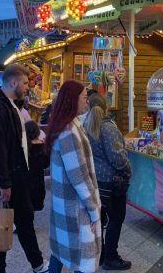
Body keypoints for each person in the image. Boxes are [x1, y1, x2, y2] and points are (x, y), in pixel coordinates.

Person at [0, 64, 49, 273]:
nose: (29, 87)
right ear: (14, 82)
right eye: (26, 83)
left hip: (16, 176)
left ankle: (37, 264)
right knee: (1, 225)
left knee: (25, 221)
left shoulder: (10, 104)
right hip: (6, 179)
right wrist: (4, 182)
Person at [45, 80, 101, 273]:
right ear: (73, 100)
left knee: (60, 250)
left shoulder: (67, 124)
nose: (87, 101)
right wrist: (93, 209)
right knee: (82, 257)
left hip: (65, 203)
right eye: (84, 97)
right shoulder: (69, 131)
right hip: (76, 207)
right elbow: (79, 176)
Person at [83, 93, 132, 270]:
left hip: (95, 180)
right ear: (106, 107)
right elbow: (118, 158)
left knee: (100, 220)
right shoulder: (108, 128)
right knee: (116, 219)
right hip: (112, 182)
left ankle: (101, 253)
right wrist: (128, 169)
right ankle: (111, 257)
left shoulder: (85, 125)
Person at [25, 120, 48, 211]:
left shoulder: (23, 147)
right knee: (35, 205)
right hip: (38, 181)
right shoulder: (42, 147)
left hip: (25, 180)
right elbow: (45, 164)